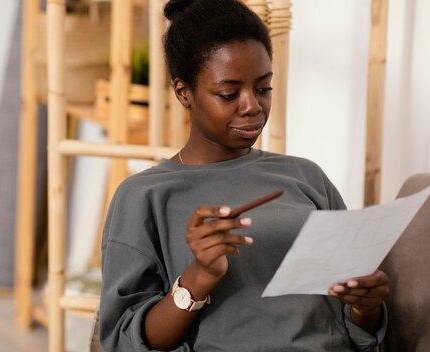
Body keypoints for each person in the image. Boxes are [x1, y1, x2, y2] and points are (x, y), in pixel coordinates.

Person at [99, 0, 389, 350]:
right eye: (229, 93)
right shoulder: (144, 195)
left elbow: (359, 331)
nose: (252, 105)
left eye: (263, 88)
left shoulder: (306, 177)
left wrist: (365, 305)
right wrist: (198, 277)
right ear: (183, 92)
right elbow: (125, 341)